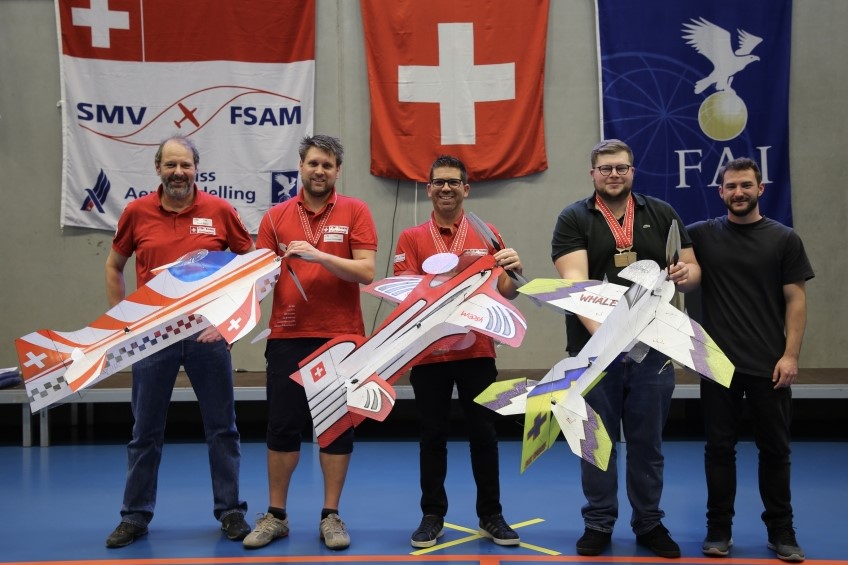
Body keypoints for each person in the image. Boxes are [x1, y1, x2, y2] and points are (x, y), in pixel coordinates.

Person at [551, 139, 700, 559]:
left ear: (632, 171)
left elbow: (692, 272)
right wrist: (610, 340)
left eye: (621, 168)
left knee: (647, 443)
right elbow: (576, 284)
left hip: (654, 350)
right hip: (594, 352)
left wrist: (685, 274)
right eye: (605, 168)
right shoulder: (574, 217)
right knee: (594, 441)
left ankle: (649, 522)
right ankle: (598, 522)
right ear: (592, 174)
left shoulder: (662, 213)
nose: (613, 174)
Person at [103, 135, 253, 548]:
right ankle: (134, 516)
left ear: (196, 168)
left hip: (207, 337)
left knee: (222, 429)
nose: (178, 172)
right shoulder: (136, 213)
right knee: (144, 431)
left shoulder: (220, 211)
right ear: (158, 169)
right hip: (153, 339)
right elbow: (114, 266)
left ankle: (231, 511)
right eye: (170, 165)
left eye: (185, 165)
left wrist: (231, 323)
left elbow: (251, 266)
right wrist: (124, 322)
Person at [243, 135, 377, 551]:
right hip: (287, 336)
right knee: (282, 426)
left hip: (341, 338)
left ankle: (330, 515)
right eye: (314, 163)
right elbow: (258, 280)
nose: (320, 171)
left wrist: (319, 256)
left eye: (328, 165)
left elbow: (366, 271)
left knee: (336, 427)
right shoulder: (275, 217)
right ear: (301, 166)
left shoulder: (355, 211)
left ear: (338, 171)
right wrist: (231, 320)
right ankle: (276, 516)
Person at [393, 155, 524, 549]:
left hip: (477, 350)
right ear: (428, 189)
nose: (446, 188)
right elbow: (405, 296)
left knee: (484, 433)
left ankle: (491, 515)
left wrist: (514, 272)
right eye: (439, 182)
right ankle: (432, 516)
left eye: (453, 182)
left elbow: (507, 292)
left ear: (466, 189)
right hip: (428, 351)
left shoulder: (487, 233)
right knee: (431, 435)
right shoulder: (411, 238)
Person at [688, 158, 813, 562]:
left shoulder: (784, 239)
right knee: (718, 450)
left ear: (761, 189)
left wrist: (790, 355)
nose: (738, 192)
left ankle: (782, 531)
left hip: (769, 365)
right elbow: (658, 247)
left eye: (745, 185)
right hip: (717, 366)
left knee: (775, 451)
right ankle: (718, 530)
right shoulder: (700, 236)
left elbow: (796, 300)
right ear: (720, 192)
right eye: (731, 186)